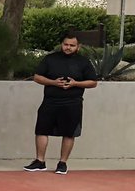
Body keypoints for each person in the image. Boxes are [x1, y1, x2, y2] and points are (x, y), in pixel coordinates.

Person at [24, 30, 98, 174]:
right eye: (66, 44)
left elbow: (93, 82)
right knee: (41, 130)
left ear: (78, 46)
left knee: (69, 133)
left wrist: (75, 83)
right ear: (61, 44)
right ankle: (40, 161)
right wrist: (53, 82)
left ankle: (62, 163)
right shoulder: (50, 59)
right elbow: (37, 77)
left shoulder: (83, 62)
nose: (68, 47)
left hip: (73, 103)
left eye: (72, 45)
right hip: (50, 101)